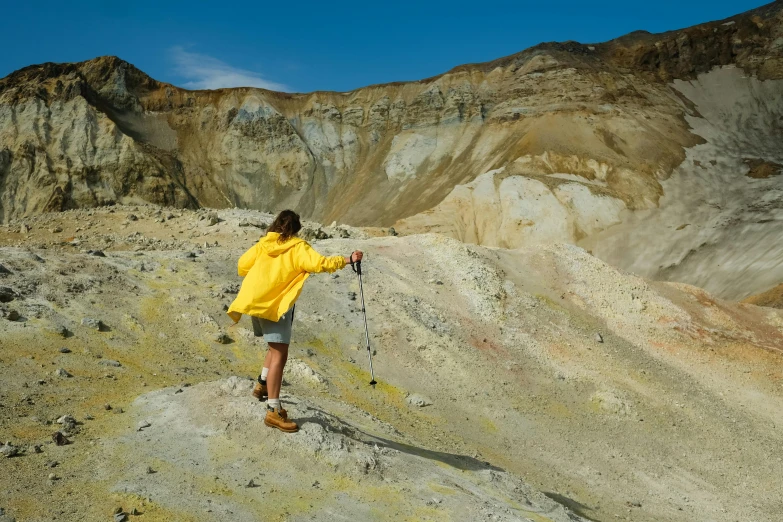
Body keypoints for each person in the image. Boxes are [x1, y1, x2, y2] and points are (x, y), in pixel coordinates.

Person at [227, 210, 363, 433]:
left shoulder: (263, 244)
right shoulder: (299, 247)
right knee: (280, 353)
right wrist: (348, 260)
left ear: (276, 225)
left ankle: (262, 384)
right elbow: (320, 264)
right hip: (276, 306)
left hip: (257, 303)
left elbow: (242, 265)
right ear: (297, 228)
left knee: (274, 346)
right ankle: (273, 410)